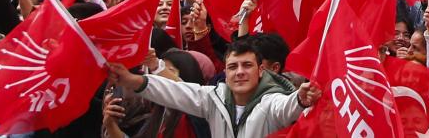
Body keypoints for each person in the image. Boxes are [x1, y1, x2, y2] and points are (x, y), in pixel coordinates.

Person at [113, 35, 320, 138]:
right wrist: (132, 81)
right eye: (233, 67)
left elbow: (286, 106)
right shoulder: (214, 97)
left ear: (260, 71)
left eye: (247, 65)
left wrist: (300, 99)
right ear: (226, 73)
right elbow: (176, 91)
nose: (240, 72)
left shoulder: (271, 100)